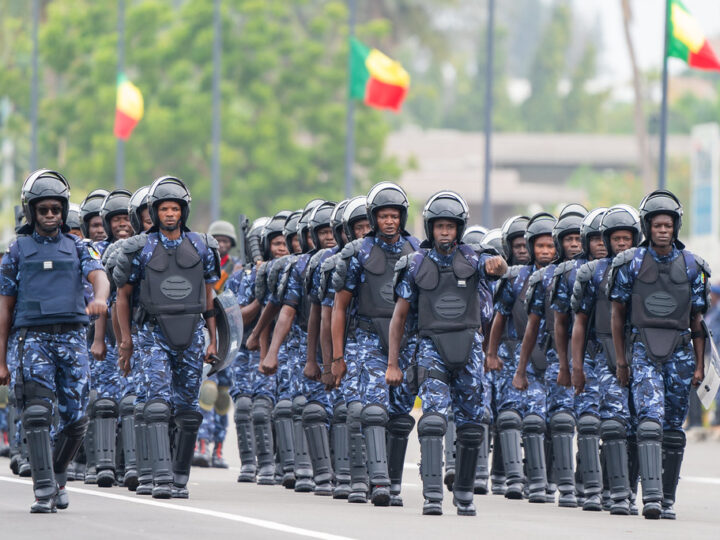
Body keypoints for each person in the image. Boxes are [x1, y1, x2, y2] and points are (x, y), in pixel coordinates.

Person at [390, 191, 506, 516]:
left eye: (450, 227)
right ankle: (431, 497)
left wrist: (500, 265)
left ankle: (465, 493)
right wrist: (393, 364)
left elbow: (497, 268)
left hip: (469, 347)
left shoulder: (473, 259)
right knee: (432, 422)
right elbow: (399, 317)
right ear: (430, 228)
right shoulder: (415, 264)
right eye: (439, 226)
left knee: (472, 424)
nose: (445, 232)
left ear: (459, 229)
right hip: (430, 347)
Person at [0, 169, 110, 513]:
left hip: (72, 338)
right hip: (30, 340)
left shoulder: (78, 246)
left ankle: (59, 472)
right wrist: (1, 359)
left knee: (77, 418)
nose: (50, 215)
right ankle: (44, 490)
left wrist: (100, 297)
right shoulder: (16, 251)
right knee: (36, 414)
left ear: (63, 212)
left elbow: (99, 276)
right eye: (43, 209)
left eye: (56, 209)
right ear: (30, 211)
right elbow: (4, 308)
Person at [114, 175, 220, 499]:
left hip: (191, 333)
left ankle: (178, 477)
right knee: (157, 405)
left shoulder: (202, 246)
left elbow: (210, 295)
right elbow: (122, 296)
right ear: (155, 212)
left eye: (175, 208)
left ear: (183, 211)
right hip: (151, 333)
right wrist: (126, 341)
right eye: (164, 209)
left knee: (187, 410)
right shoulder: (139, 248)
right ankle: (157, 476)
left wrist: (214, 340)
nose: (169, 214)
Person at [608, 190, 710, 520]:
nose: (662, 230)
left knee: (672, 430)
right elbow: (617, 315)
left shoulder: (694, 267)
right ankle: (650, 497)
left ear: (675, 227)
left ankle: (667, 499)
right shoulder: (630, 263)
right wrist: (622, 360)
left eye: (668, 225)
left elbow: (697, 321)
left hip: (680, 352)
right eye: (657, 225)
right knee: (648, 422)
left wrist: (699, 365)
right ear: (647, 227)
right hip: (642, 349)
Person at [331, 182, 422, 507]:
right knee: (369, 411)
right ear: (373, 218)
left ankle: (393, 484)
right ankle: (372, 481)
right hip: (366, 336)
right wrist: (337, 357)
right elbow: (339, 308)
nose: (389, 221)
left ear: (402, 217)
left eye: (394, 216)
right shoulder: (357, 252)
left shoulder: (417, 251)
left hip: (405, 340)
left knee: (398, 416)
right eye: (383, 216)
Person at [571, 204, 642, 515]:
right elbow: (578, 322)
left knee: (639, 427)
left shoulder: (646, 268)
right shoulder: (592, 273)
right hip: (601, 355)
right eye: (615, 239)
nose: (621, 244)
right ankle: (601, 489)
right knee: (607, 423)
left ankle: (628, 490)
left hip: (642, 353)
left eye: (627, 238)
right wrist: (574, 365)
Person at [514, 207, 585, 506]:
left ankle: (571, 484)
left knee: (572, 422)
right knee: (537, 421)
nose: (573, 245)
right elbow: (531, 326)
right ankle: (538, 480)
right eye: (567, 239)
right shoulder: (544, 278)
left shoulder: (595, 273)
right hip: (547, 355)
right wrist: (521, 368)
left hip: (583, 356)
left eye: (577, 239)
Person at [551, 207, 607, 511]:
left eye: (604, 237)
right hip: (582, 354)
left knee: (611, 424)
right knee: (578, 422)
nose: (600, 243)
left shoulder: (624, 268)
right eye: (594, 238)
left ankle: (604, 484)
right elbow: (562, 323)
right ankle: (576, 487)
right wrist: (567, 365)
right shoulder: (571, 273)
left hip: (614, 355)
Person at [484, 215, 532, 500]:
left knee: (543, 422)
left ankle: (543, 479)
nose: (524, 250)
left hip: (542, 350)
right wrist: (489, 352)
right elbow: (494, 320)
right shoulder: (506, 279)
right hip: (508, 349)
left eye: (529, 244)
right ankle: (508, 477)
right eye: (518, 245)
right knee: (506, 415)